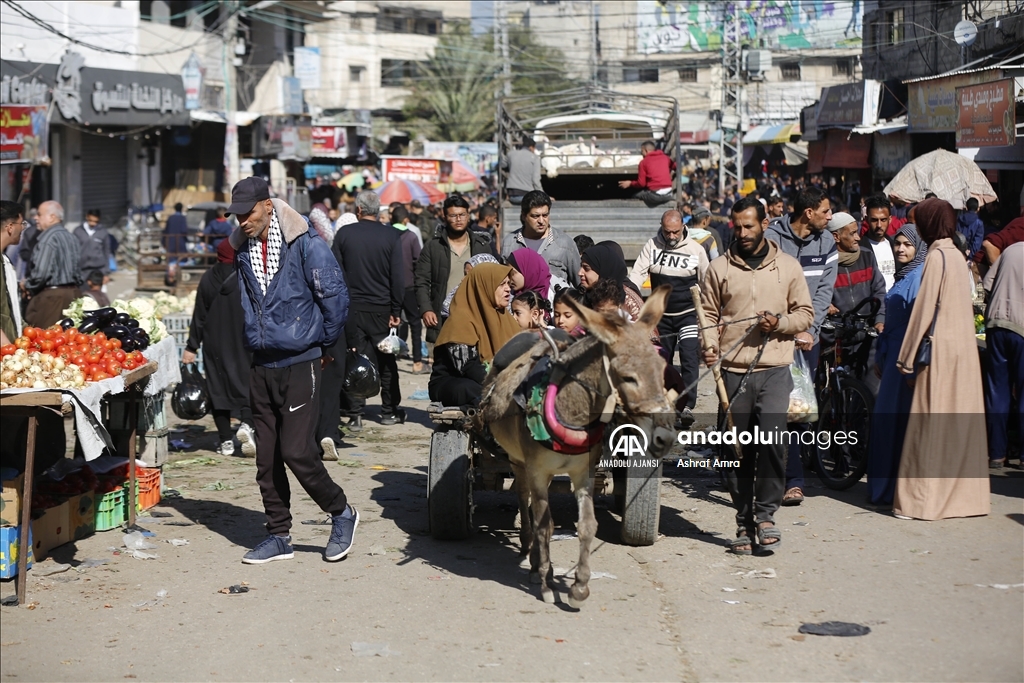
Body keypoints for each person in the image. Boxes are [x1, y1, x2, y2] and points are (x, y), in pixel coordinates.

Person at [226, 176, 356, 564]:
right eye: (236, 216)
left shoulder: (305, 244)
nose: (242, 222)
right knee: (266, 456)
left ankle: (342, 512)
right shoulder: (243, 249)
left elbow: (334, 296)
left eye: (247, 213)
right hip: (261, 362)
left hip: (301, 360)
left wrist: (323, 345)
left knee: (297, 451)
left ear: (268, 205)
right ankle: (279, 534)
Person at [701, 196, 814, 554]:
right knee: (734, 451)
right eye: (737, 226)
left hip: (776, 369)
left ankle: (765, 516)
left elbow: (805, 314)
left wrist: (780, 323)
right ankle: (742, 520)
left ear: (765, 224)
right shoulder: (718, 268)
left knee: (771, 442)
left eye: (749, 225)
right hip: (732, 373)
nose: (743, 232)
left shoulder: (789, 267)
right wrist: (709, 345)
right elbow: (706, 313)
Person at [893, 198, 989, 521]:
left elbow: (922, 313)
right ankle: (966, 501)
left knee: (928, 427)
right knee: (959, 428)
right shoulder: (959, 257)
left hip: (939, 355)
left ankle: (921, 503)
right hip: (964, 352)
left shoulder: (936, 258)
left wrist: (906, 358)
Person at [767, 186, 838, 506]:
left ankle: (793, 480)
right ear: (808, 213)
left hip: (806, 340)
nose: (830, 216)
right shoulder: (772, 237)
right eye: (825, 211)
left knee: (796, 410)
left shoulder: (827, 243)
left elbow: (823, 292)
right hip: (772, 336)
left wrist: (809, 329)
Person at [333, 190, 405, 429]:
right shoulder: (393, 236)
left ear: (359, 210)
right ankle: (387, 411)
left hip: (351, 308)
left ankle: (355, 414)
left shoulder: (344, 234)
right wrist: (397, 309)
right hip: (383, 309)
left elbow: (336, 272)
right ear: (378, 210)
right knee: (386, 361)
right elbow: (398, 276)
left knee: (355, 358)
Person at [867, 224, 927, 506]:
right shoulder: (901, 277)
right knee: (886, 422)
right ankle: (884, 489)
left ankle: (892, 492)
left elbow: (919, 323)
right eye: (898, 243)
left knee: (896, 424)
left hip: (905, 362)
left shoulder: (919, 277)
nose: (900, 249)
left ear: (919, 248)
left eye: (907, 245)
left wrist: (912, 364)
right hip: (891, 359)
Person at [629, 209, 709, 418]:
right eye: (667, 232)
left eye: (675, 232)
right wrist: (628, 296)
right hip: (660, 317)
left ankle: (687, 406)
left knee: (690, 357)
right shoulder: (652, 246)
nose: (671, 237)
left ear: (683, 227)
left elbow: (707, 283)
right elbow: (637, 275)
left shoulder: (696, 250)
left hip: (688, 314)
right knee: (661, 361)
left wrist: (708, 316)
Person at [182, 240, 255, 457]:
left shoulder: (207, 278)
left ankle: (225, 441)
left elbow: (199, 316)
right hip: (245, 342)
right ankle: (247, 424)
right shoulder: (248, 276)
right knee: (249, 385)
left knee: (217, 389)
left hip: (214, 344)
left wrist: (191, 346)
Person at [428, 263, 519, 406]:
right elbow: (467, 366)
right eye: (501, 284)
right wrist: (499, 385)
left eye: (508, 284)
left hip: (494, 381)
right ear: (484, 287)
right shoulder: (460, 319)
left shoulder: (505, 318)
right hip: (455, 381)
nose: (508, 289)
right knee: (472, 390)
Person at [415, 194, 494, 350]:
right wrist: (426, 308)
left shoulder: (481, 246)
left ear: (468, 215)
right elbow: (421, 281)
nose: (458, 219)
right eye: (453, 215)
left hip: (474, 316)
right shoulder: (433, 247)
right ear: (445, 217)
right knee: (443, 368)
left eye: (462, 215)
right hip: (443, 317)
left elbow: (492, 280)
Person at [982, 241, 1023, 469]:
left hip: (997, 325)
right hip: (1022, 329)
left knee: (998, 391)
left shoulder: (1011, 250)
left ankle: (997, 454)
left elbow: (988, 284)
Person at [502, 191, 580, 288]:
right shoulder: (510, 243)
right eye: (535, 216)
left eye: (545, 215)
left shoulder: (565, 244)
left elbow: (580, 283)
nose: (541, 221)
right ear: (523, 216)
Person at [24, 201, 81, 328]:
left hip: (51, 299)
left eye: (39, 214)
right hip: (73, 295)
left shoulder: (47, 239)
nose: (35, 218)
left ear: (52, 217)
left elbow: (40, 274)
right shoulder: (71, 237)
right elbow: (78, 273)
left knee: (45, 340)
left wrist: (27, 285)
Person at [391, 205, 424, 374]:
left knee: (392, 322)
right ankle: (417, 361)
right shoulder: (411, 237)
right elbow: (418, 261)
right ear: (406, 220)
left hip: (390, 287)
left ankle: (390, 359)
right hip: (409, 287)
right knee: (415, 324)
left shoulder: (386, 235)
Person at [579, 241, 644, 322]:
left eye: (586, 268)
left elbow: (646, 332)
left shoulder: (628, 302)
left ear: (603, 269)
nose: (580, 273)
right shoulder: (583, 295)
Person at [617, 140, 674, 207]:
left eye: (642, 151)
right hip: (669, 194)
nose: (641, 154)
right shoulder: (665, 158)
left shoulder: (643, 163)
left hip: (655, 195)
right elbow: (675, 165)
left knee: (635, 196)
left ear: (645, 150)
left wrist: (630, 183)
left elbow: (641, 184)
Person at [441, 254, 500, 319]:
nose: (463, 279)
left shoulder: (504, 299)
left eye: (471, 275)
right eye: (465, 274)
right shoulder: (457, 296)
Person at [861, 194, 898, 291]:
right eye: (874, 220)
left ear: (890, 220)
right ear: (866, 219)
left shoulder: (896, 246)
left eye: (883, 220)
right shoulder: (860, 249)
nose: (879, 225)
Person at [0, 200, 25, 345]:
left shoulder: (5, 261)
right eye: (21, 224)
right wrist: (7, 348)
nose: (23, 228)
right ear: (10, 227)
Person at [73, 209, 111, 287]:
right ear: (87, 217)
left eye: (95, 221)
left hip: (98, 268)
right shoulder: (78, 231)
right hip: (82, 269)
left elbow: (106, 252)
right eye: (91, 220)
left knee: (96, 295)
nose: (93, 223)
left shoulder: (103, 232)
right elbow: (73, 251)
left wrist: (106, 273)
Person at [503, 137, 543, 205]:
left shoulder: (511, 154)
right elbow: (535, 180)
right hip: (528, 197)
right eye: (534, 148)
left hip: (512, 196)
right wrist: (543, 195)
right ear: (531, 147)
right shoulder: (535, 158)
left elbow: (502, 164)